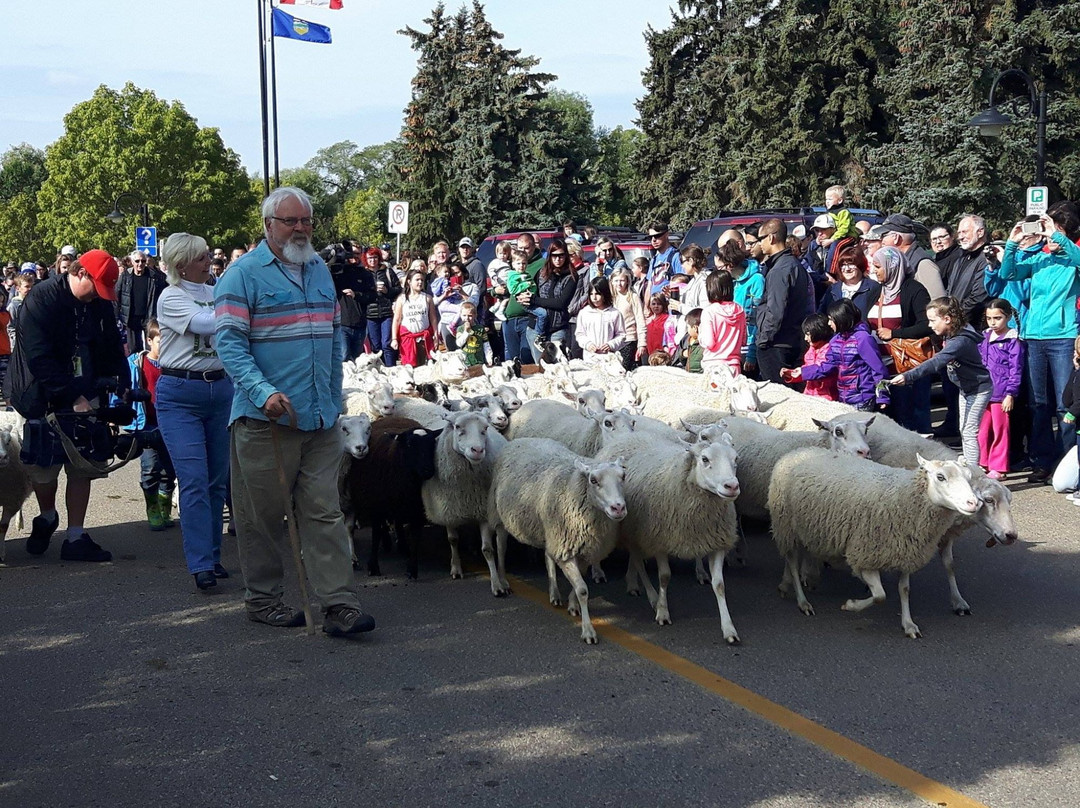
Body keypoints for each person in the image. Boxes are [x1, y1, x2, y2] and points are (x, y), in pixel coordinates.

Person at [215, 186, 374, 634]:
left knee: (324, 511)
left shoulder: (320, 269)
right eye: (290, 221)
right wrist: (262, 391)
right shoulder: (241, 276)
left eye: (306, 220)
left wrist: (335, 393)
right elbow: (229, 344)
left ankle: (339, 604)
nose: (301, 228)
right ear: (268, 225)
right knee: (261, 517)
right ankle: (263, 600)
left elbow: (333, 336)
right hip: (266, 419)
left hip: (320, 417)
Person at [3, 249, 126, 562]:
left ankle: (76, 536)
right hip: (37, 393)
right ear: (80, 273)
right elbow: (38, 357)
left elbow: (111, 341)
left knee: (82, 464)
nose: (98, 297)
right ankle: (47, 516)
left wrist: (122, 385)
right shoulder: (40, 300)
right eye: (96, 289)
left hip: (82, 390)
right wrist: (72, 396)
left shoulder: (97, 302)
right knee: (44, 467)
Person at [155, 233, 234, 591]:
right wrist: (239, 310)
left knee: (218, 479)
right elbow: (207, 325)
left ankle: (213, 556)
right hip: (180, 393)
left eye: (208, 257)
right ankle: (200, 563)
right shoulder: (171, 296)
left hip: (220, 390)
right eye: (201, 258)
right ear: (181, 264)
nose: (209, 262)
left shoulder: (217, 292)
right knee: (194, 479)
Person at [996, 210, 1080, 483]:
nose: (1048, 234)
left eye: (1055, 229)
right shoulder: (1039, 258)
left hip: (1064, 337)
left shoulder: (1072, 259)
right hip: (1034, 337)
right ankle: (1042, 461)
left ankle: (1067, 461)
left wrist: (1055, 235)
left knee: (1064, 404)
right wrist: (1012, 242)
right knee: (1038, 403)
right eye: (1046, 229)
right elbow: (1008, 273)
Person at [890, 297, 992, 467]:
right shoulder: (952, 334)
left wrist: (908, 376)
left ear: (947, 319)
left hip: (979, 389)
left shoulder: (960, 341)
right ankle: (969, 467)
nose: (929, 325)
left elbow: (936, 362)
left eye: (932, 320)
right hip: (965, 389)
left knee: (968, 432)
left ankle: (973, 473)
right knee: (964, 430)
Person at [783, 299, 888, 411]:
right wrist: (802, 372)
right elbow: (826, 367)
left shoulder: (863, 339)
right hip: (843, 398)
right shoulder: (836, 340)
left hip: (862, 398)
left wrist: (883, 396)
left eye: (831, 319)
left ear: (841, 318)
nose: (829, 323)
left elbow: (878, 369)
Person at [869, 246, 932, 433]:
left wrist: (895, 334)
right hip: (882, 367)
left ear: (892, 266)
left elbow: (927, 325)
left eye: (878, 266)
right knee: (890, 421)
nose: (874, 270)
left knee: (912, 419)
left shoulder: (914, 290)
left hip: (907, 367)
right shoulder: (877, 291)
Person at [123, 318, 176, 531]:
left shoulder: (174, 365)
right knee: (150, 468)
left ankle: (165, 507)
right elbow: (125, 389)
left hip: (171, 424)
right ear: (149, 341)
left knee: (169, 470)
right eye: (161, 341)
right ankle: (152, 507)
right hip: (147, 425)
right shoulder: (137, 363)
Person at [755, 218, 811, 383]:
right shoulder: (793, 264)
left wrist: (763, 341)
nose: (759, 244)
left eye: (760, 239)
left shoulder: (780, 270)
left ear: (771, 238)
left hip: (777, 345)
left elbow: (775, 311)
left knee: (778, 396)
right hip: (792, 341)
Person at [978, 299, 1024, 480]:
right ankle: (982, 462)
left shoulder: (1013, 340)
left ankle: (999, 466)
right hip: (983, 392)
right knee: (981, 430)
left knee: (1000, 430)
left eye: (997, 318)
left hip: (1001, 394)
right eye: (989, 318)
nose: (993, 322)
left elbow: (1016, 368)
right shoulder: (984, 337)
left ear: (1008, 316)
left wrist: (1010, 394)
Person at [715, 239, 764, 374]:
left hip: (749, 346)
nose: (718, 273)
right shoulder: (730, 282)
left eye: (720, 268)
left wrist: (751, 354)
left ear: (730, 265)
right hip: (731, 346)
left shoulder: (757, 280)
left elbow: (757, 320)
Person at [526, 238, 577, 361]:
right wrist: (524, 297)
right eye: (554, 256)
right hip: (536, 327)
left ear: (566, 256)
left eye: (561, 256)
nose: (558, 259)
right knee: (541, 366)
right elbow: (531, 291)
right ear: (550, 256)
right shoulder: (541, 273)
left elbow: (561, 303)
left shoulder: (571, 276)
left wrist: (534, 300)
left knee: (559, 365)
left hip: (557, 328)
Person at [501, 233, 544, 363]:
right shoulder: (514, 262)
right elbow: (508, 284)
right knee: (510, 359)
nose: (523, 251)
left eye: (526, 248)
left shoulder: (541, 264)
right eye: (520, 248)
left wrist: (533, 297)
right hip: (509, 317)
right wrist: (496, 291)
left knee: (526, 357)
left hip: (528, 316)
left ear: (534, 246)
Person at [116, 250, 166, 353]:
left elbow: (164, 293)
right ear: (132, 262)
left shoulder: (154, 277)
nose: (140, 264)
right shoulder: (125, 276)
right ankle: (136, 368)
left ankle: (149, 368)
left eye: (143, 261)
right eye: (137, 261)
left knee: (152, 349)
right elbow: (117, 296)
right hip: (131, 318)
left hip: (149, 317)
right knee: (133, 349)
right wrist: (117, 316)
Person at [332, 246, 376, 363]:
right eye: (350, 253)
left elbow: (373, 296)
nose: (354, 256)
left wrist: (356, 294)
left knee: (358, 361)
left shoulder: (366, 274)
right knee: (343, 359)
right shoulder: (338, 273)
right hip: (342, 324)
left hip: (360, 324)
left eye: (357, 253)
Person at [698, 271, 746, 377]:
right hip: (734, 366)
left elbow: (709, 343)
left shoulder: (709, 311)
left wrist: (700, 335)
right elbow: (743, 341)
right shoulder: (740, 310)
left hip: (713, 366)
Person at [391, 268, 440, 367]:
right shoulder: (401, 299)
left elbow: (433, 319)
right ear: (409, 282)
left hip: (424, 338)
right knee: (409, 367)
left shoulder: (427, 298)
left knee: (424, 366)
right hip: (408, 339)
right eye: (417, 280)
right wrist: (394, 338)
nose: (420, 282)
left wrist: (436, 336)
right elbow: (396, 320)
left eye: (422, 280)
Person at [817, 247, 880, 320]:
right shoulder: (833, 289)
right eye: (843, 265)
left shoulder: (873, 288)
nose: (847, 269)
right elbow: (821, 314)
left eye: (851, 264)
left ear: (860, 265)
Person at [364, 246, 401, 367]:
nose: (373, 260)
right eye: (370, 258)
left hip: (386, 312)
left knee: (386, 344)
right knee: (376, 346)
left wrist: (387, 291)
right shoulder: (364, 273)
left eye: (375, 257)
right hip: (370, 313)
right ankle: (378, 370)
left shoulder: (387, 271)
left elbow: (398, 289)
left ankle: (390, 369)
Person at [575, 277, 625, 363]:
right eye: (591, 294)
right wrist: (588, 344)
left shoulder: (614, 313)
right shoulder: (584, 313)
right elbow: (580, 334)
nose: (594, 298)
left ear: (604, 294)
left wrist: (611, 345)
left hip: (609, 360)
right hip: (590, 359)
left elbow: (621, 335)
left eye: (597, 294)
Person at [610, 267, 646, 369]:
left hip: (628, 339)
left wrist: (642, 343)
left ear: (627, 281)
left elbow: (640, 319)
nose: (619, 284)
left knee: (624, 369)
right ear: (612, 281)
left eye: (622, 280)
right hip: (612, 341)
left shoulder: (632, 296)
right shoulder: (610, 297)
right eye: (616, 281)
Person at [800, 314, 837, 400]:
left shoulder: (829, 350)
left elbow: (823, 370)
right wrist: (793, 374)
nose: (805, 338)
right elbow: (807, 368)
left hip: (826, 397)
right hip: (809, 395)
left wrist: (802, 372)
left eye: (808, 335)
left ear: (818, 332)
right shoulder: (811, 350)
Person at [645, 223, 683, 296]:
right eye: (650, 237)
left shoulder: (675, 256)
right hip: (654, 304)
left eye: (657, 236)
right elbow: (650, 285)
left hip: (669, 304)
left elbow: (682, 282)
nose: (653, 240)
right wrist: (646, 306)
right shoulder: (654, 260)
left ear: (666, 235)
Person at [455, 301, 492, 367]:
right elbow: (459, 343)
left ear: (475, 315)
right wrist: (466, 332)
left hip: (479, 361)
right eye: (464, 315)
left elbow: (486, 344)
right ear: (460, 315)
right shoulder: (460, 329)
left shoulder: (480, 328)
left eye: (470, 316)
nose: (467, 318)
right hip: (466, 362)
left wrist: (489, 358)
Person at [645, 293, 678, 359]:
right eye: (653, 304)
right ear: (650, 305)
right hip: (650, 353)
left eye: (659, 304)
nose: (656, 306)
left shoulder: (667, 319)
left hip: (663, 352)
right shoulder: (648, 320)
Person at [678, 308, 704, 373]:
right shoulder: (689, 340)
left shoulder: (703, 345)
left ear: (695, 328)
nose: (687, 330)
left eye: (688, 327)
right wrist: (683, 354)